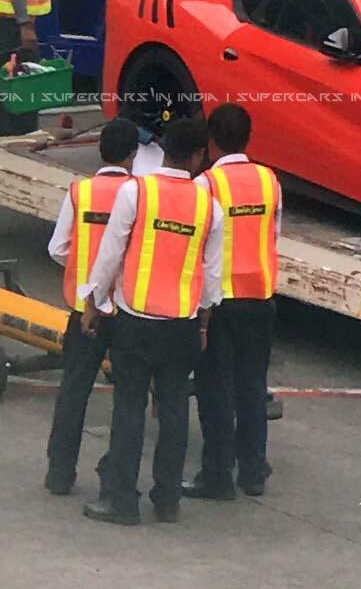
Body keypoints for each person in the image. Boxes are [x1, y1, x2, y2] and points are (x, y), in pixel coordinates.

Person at [79, 118, 223, 525]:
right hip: (181, 323)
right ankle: (168, 500)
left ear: (162, 149)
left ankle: (122, 501)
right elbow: (212, 277)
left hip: (135, 321)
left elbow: (110, 255)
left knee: (129, 410)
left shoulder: (136, 192)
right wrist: (203, 323)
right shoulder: (208, 207)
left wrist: (93, 302)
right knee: (175, 410)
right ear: (199, 157)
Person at [183, 104, 281, 500]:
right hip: (260, 296)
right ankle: (253, 471)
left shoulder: (206, 185)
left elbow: (199, 246)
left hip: (219, 301)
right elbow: (274, 234)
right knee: (252, 388)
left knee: (215, 389)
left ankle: (217, 473)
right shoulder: (269, 180)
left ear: (210, 141)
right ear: (248, 138)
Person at [44, 118, 139, 495]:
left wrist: (83, 274)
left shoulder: (80, 192)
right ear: (133, 155)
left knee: (73, 391)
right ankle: (114, 473)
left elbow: (57, 248)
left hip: (85, 309)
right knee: (128, 396)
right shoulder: (139, 194)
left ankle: (60, 473)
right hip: (128, 309)